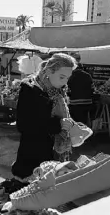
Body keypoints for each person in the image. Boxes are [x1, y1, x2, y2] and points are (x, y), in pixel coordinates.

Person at [12, 53, 77, 181]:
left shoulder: (58, 92)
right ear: (48, 71)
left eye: (67, 78)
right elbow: (24, 125)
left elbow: (60, 116)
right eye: (62, 77)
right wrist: (58, 125)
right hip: (32, 156)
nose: (65, 82)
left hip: (51, 156)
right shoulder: (30, 89)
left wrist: (72, 126)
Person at [67, 54, 94, 125]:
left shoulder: (70, 76)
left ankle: (79, 133)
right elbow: (92, 89)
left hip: (75, 103)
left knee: (76, 121)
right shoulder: (88, 75)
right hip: (87, 103)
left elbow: (67, 90)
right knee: (84, 120)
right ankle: (85, 132)